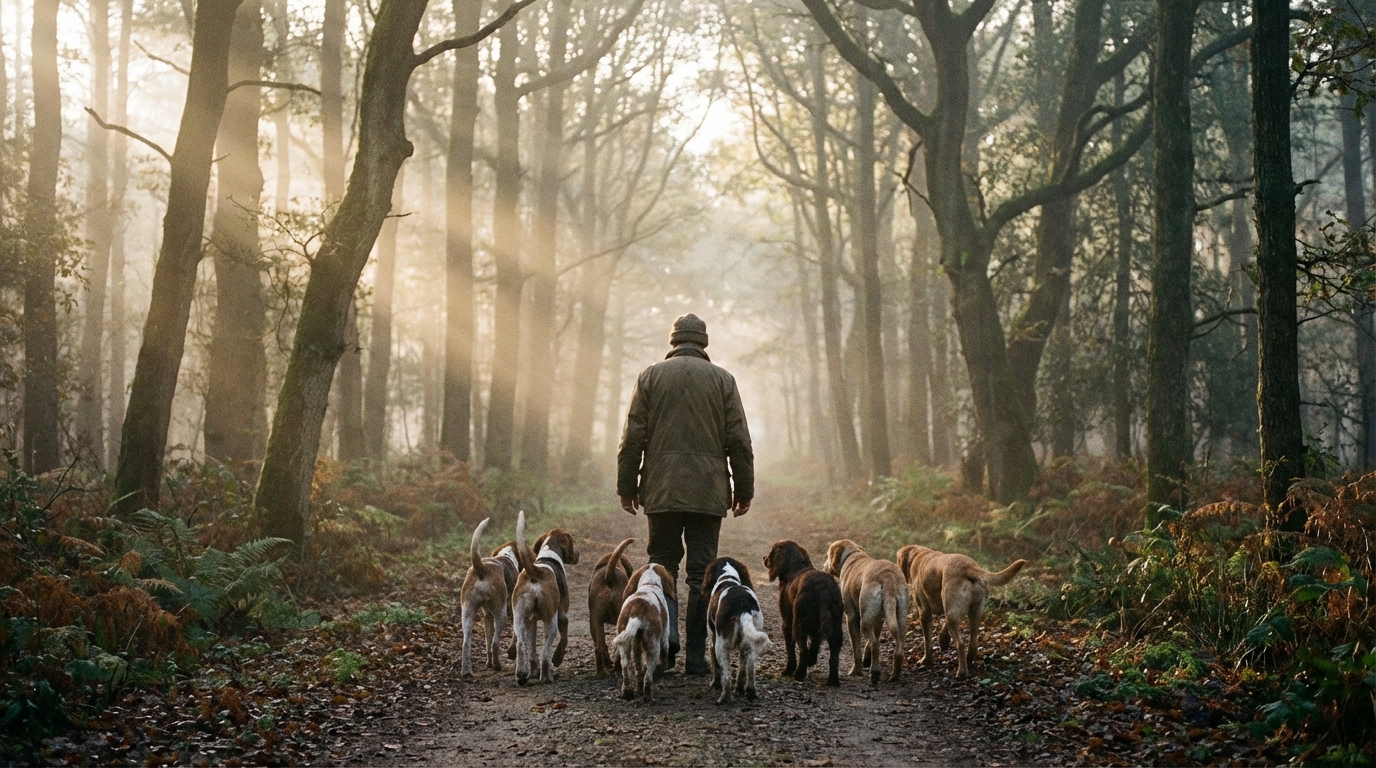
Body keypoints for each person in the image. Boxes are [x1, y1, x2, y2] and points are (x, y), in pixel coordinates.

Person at [617, 313, 754, 675]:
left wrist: (626, 487)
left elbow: (632, 438)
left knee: (662, 568)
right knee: (700, 575)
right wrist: (744, 490)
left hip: (661, 489)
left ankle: (664, 649)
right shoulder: (723, 380)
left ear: (673, 341)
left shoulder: (650, 377)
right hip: (708, 493)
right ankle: (696, 657)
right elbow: (739, 441)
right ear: (703, 342)